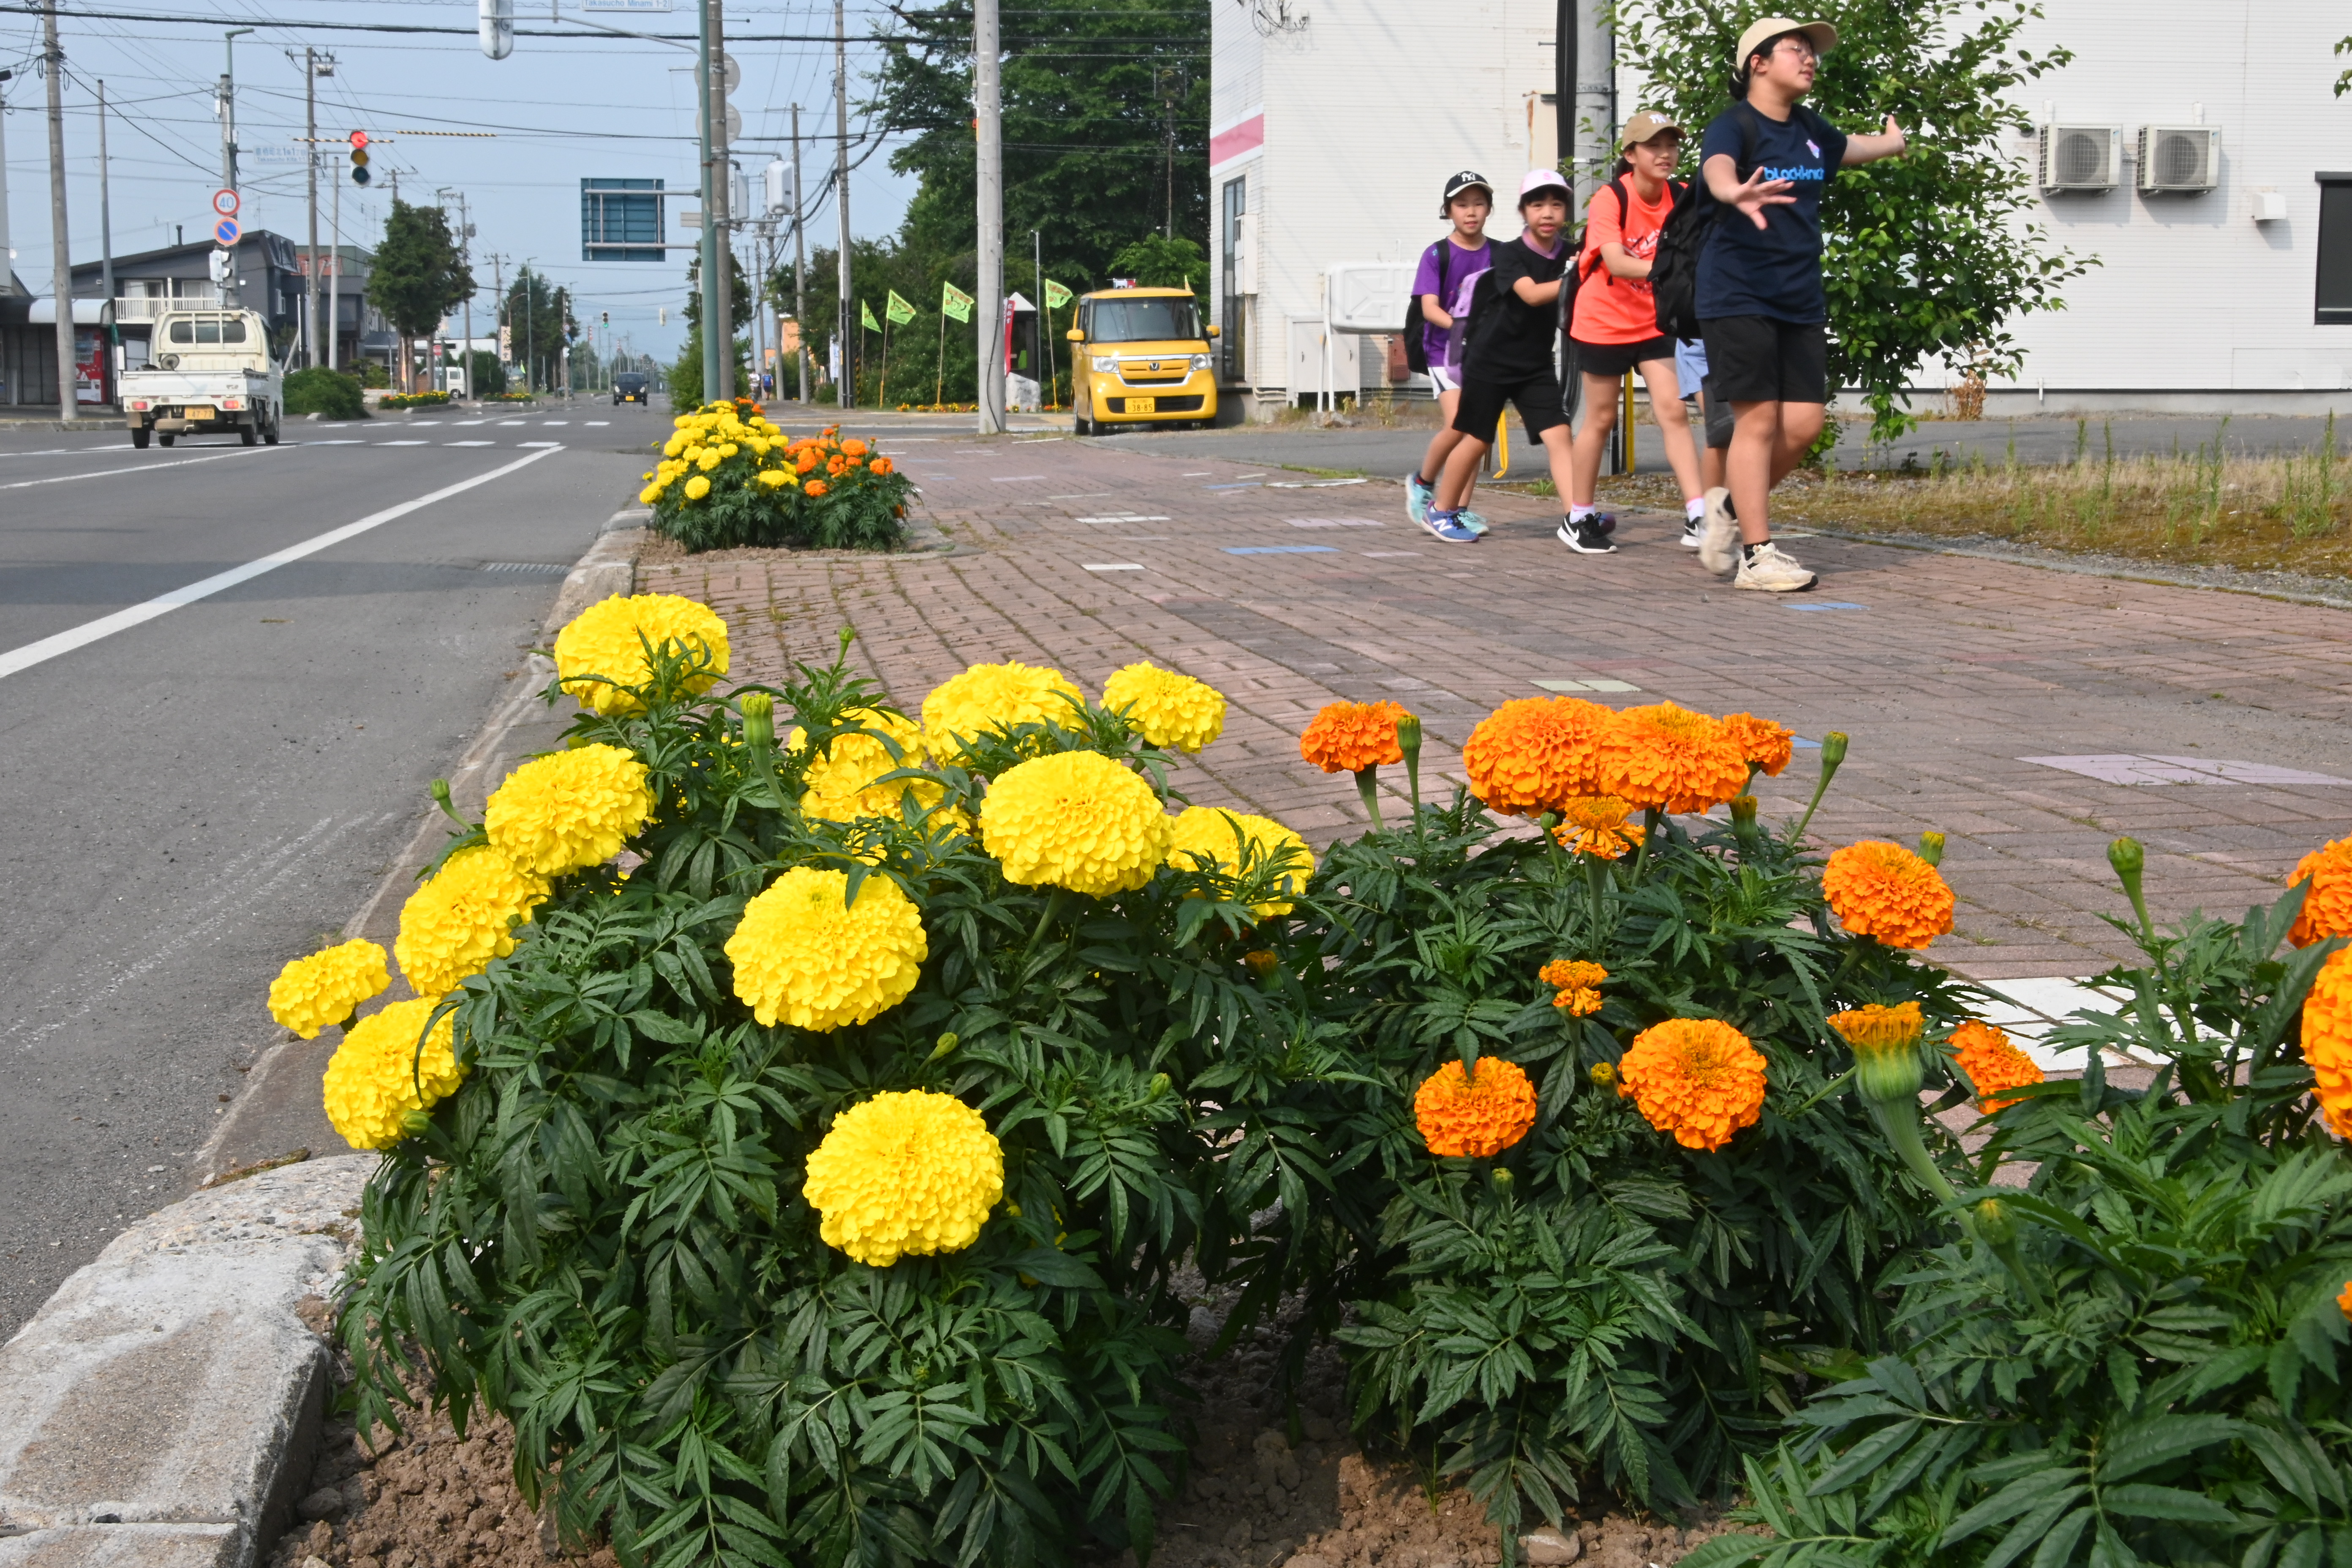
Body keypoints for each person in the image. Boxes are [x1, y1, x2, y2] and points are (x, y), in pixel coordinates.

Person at [1691, 15, 1905, 591]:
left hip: (1798, 294)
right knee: (1756, 421)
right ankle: (1757, 557)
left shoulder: (1810, 127)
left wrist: (1892, 144)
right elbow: (1715, 166)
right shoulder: (1734, 125)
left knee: (1806, 424)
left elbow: (1844, 150)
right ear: (1757, 63)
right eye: (1796, 49)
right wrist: (1732, 188)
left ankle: (1731, 512)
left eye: (1812, 52)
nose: (1810, 58)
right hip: (1736, 289)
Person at [1425, 170, 1593, 550]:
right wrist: (1580, 274)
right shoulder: (1510, 254)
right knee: (1475, 439)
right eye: (1537, 205)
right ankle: (1442, 509)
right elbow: (1532, 295)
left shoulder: (1569, 253)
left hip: (1534, 364)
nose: (1547, 213)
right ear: (1523, 211)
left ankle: (1577, 519)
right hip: (1490, 360)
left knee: (1560, 435)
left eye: (1556, 204)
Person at [1564, 112, 1709, 553]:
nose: (1666, 154)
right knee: (1601, 419)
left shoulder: (1683, 196)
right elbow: (1617, 261)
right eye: (1653, 146)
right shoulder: (1612, 198)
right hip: (1603, 320)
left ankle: (1699, 514)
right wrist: (1671, 269)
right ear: (1631, 155)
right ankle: (1578, 516)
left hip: (1653, 320)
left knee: (1673, 411)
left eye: (1672, 145)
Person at [1405, 172, 1496, 542]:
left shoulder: (1501, 253)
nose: (1471, 212)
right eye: (1462, 205)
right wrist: (1463, 328)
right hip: (1443, 351)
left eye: (1478, 203)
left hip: (1484, 354)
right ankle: (1423, 482)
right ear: (1448, 211)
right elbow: (1429, 308)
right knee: (1462, 423)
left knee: (1479, 433)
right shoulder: (1436, 254)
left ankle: (1457, 508)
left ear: (1489, 208)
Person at [1675, 338, 1732, 545]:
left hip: (1745, 342)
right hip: (1701, 348)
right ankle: (1706, 521)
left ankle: (1715, 518)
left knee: (1740, 433)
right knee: (1724, 429)